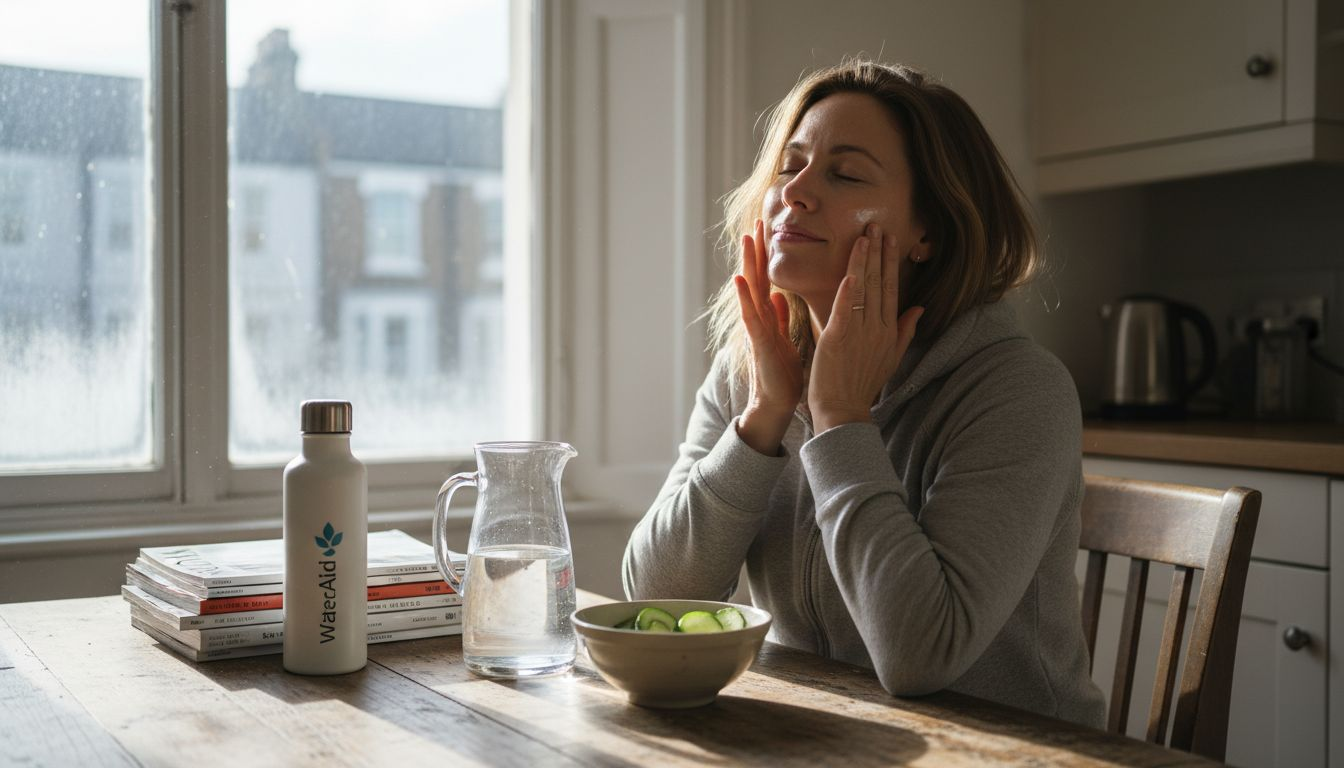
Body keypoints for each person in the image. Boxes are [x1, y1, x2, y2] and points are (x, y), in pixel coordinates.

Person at [621, 59, 1107, 728]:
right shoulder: (751, 371)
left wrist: (841, 419)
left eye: (845, 175)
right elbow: (652, 599)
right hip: (819, 732)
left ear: (928, 232)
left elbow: (920, 656)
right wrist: (762, 419)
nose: (795, 193)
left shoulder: (1019, 391)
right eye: (789, 166)